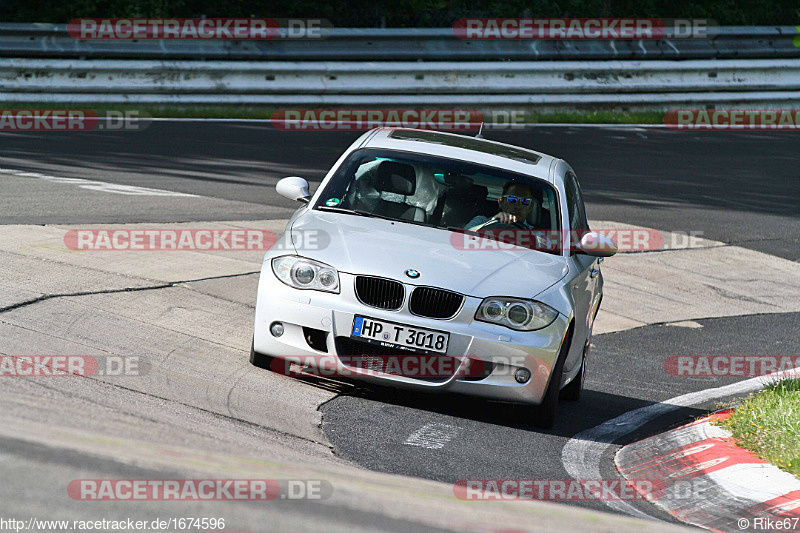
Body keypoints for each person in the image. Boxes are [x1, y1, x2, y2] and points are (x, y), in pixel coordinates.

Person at [465, 182, 536, 231]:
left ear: (530, 207)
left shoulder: (535, 234)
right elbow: (459, 238)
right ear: (501, 202)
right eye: (512, 199)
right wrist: (491, 222)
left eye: (525, 201)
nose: (518, 206)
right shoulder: (480, 221)